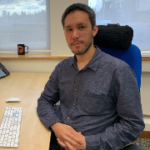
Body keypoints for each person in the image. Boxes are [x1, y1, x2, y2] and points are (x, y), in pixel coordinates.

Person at [37, 3, 145, 150]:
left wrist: (88, 143)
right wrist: (56, 125)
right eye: (69, 29)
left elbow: (133, 125)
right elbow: (44, 100)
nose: (74, 35)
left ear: (94, 30)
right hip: (60, 141)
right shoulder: (62, 67)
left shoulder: (119, 71)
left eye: (81, 27)